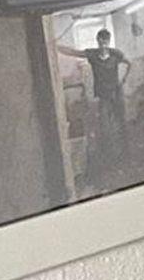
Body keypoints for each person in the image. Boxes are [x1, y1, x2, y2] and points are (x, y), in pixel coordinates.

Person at [56, 28, 130, 173]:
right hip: (103, 96)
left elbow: (129, 63)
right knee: (104, 125)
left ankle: (124, 152)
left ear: (108, 41)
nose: (103, 45)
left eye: (105, 41)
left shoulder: (116, 53)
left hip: (116, 94)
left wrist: (124, 80)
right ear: (98, 41)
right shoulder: (93, 54)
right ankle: (109, 156)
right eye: (101, 42)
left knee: (120, 121)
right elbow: (74, 52)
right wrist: (56, 47)